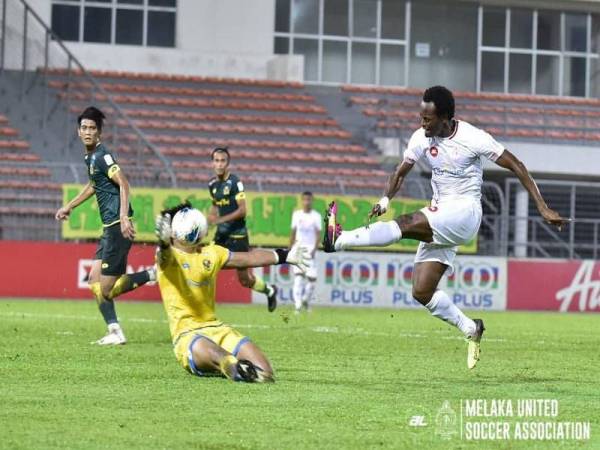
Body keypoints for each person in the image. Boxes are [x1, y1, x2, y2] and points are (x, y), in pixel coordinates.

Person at [322, 86, 569, 369]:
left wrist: (542, 206)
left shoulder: (473, 138)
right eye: (421, 117)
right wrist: (385, 198)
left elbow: (516, 164)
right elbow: (401, 171)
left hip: (465, 211)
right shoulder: (421, 137)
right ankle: (471, 328)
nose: (422, 123)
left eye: (428, 119)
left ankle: (338, 240)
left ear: (446, 118)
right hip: (443, 213)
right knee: (422, 291)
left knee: (406, 222)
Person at [155, 202, 309, 382]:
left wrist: (285, 255)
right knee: (223, 358)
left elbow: (249, 258)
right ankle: (231, 366)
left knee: (266, 373)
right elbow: (164, 256)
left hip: (218, 329)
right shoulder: (168, 258)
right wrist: (164, 244)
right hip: (187, 337)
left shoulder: (212, 253)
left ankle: (234, 367)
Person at [55, 106, 155, 345]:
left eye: (92, 128)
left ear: (99, 133)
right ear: (78, 131)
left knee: (107, 289)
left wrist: (123, 217)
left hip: (116, 227)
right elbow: (93, 185)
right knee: (94, 282)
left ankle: (154, 273)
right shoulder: (90, 157)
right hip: (108, 228)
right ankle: (115, 331)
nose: (88, 132)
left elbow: (124, 183)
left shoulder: (102, 155)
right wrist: (70, 205)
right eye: (84, 127)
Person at [207, 147, 278, 311]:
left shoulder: (235, 182)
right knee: (207, 263)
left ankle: (269, 290)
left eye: (222, 160)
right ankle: (204, 308)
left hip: (238, 235)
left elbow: (242, 210)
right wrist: (209, 219)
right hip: (221, 236)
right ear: (212, 163)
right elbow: (214, 207)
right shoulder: (212, 184)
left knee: (244, 280)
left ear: (228, 163)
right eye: (216, 160)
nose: (219, 164)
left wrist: (220, 220)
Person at [289, 191, 322, 313]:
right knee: (298, 277)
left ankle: (305, 300)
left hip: (310, 250)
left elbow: (318, 234)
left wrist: (315, 248)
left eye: (309, 199)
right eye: (305, 200)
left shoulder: (316, 216)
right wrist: (290, 248)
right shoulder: (297, 215)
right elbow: (293, 232)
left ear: (312, 200)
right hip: (298, 248)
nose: (307, 202)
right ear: (302, 201)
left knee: (312, 279)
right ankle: (297, 306)